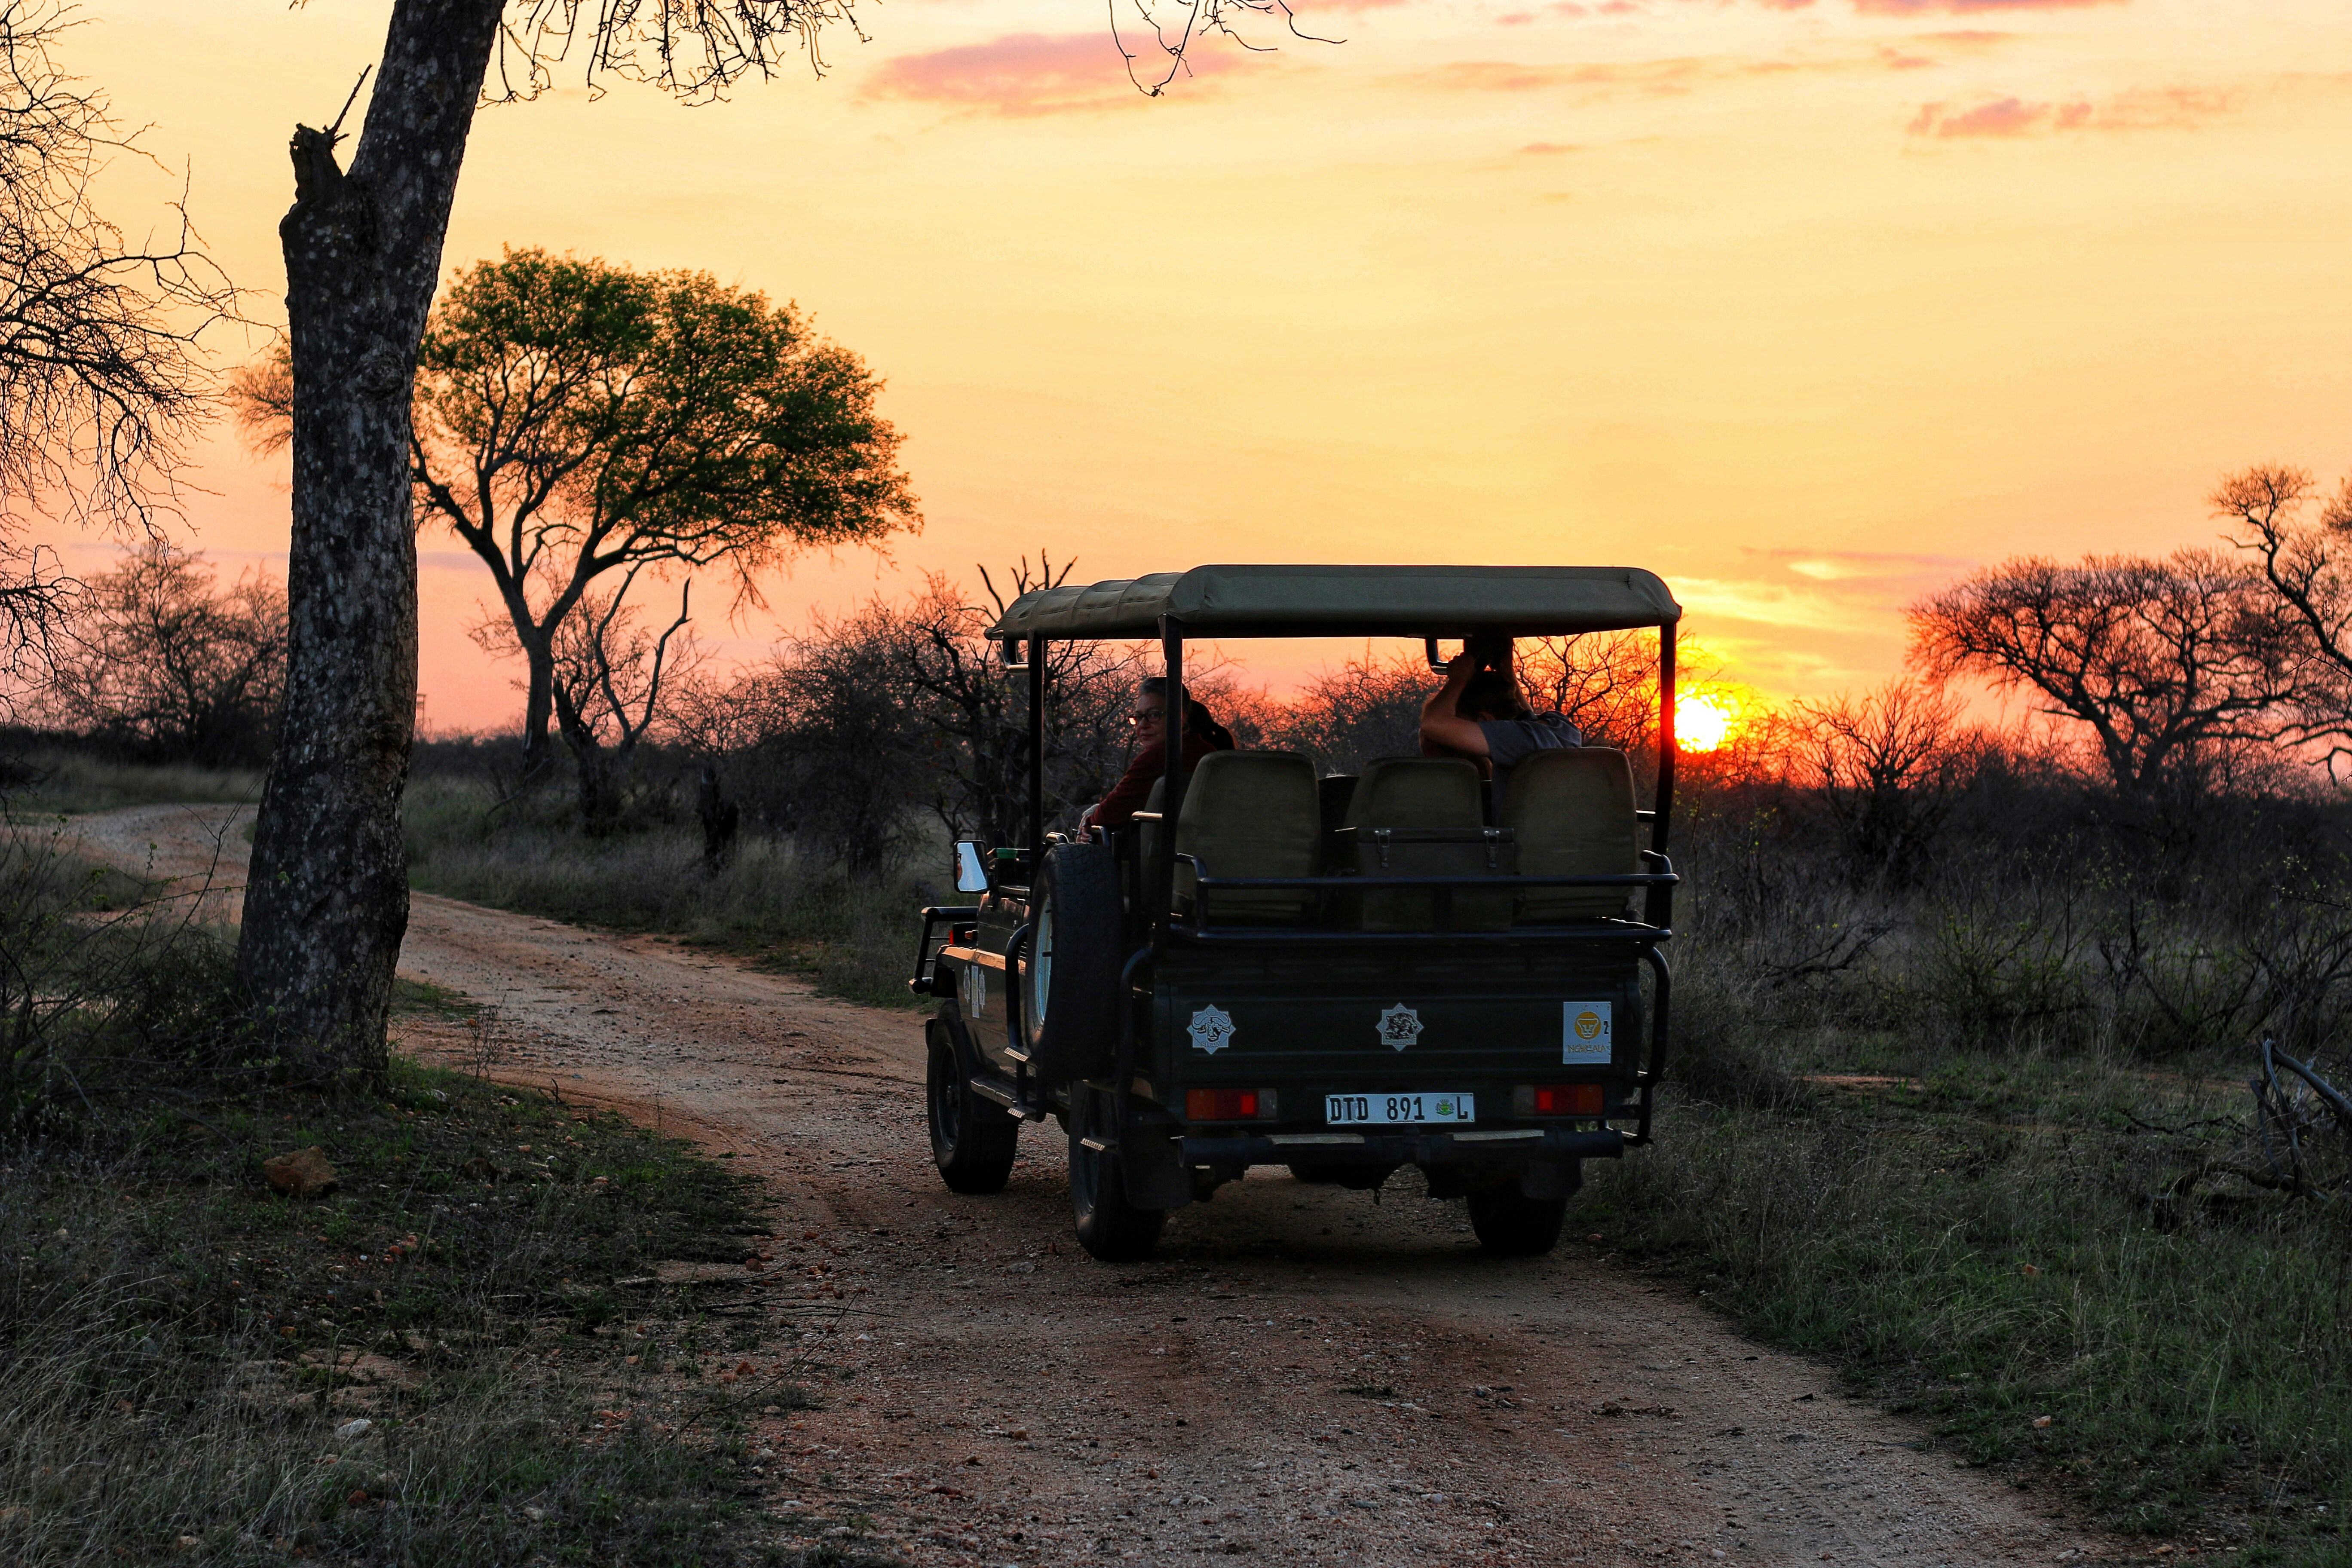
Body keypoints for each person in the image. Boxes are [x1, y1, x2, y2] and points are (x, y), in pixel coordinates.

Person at [1418, 634, 1582, 809]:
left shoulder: (1514, 739)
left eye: (1463, 726)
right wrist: (1508, 673)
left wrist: (1459, 679)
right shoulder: (1561, 727)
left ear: (1484, 720)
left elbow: (1432, 725)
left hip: (1518, 836)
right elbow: (1527, 720)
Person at [1082, 677, 1235, 832]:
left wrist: (1088, 823)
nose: (1143, 725)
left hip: (1156, 851)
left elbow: (1107, 815)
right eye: (1138, 717)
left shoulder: (1161, 757)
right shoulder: (1208, 751)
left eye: (1154, 715)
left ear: (1180, 717)